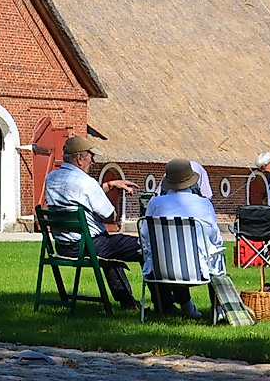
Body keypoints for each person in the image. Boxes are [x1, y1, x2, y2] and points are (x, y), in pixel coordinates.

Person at [43, 135, 142, 310]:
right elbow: (110, 215)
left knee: (111, 249)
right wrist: (112, 198)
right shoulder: (87, 183)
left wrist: (109, 185)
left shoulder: (52, 178)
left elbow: (76, 193)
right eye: (91, 156)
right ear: (80, 158)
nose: (94, 161)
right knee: (145, 246)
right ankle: (165, 304)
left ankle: (128, 303)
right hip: (89, 245)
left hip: (63, 246)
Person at [141, 158, 225, 319]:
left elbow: (145, 236)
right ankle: (218, 309)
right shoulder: (204, 204)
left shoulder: (155, 203)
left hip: (161, 269)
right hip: (199, 270)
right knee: (214, 255)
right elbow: (215, 237)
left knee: (173, 252)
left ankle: (186, 307)